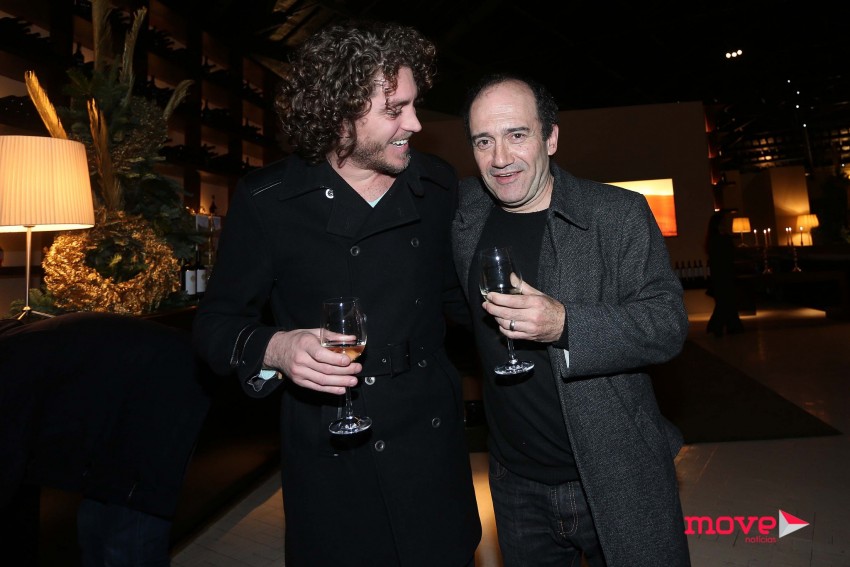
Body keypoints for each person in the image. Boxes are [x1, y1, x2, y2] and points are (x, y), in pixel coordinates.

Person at [192, 20, 481, 567]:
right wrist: (277, 348)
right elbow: (215, 325)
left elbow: (454, 299)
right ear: (340, 113)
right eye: (395, 110)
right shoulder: (269, 200)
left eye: (414, 104)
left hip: (429, 437)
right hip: (331, 442)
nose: (416, 124)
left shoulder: (438, 184)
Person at [451, 73, 691, 567]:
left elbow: (667, 323)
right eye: (483, 141)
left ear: (551, 137)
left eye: (517, 135)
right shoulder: (464, 213)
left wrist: (565, 324)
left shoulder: (617, 214)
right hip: (515, 482)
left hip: (615, 474)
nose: (500, 158)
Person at [0, 311, 210, 567]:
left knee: (128, 534)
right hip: (122, 400)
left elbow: (8, 459)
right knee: (93, 525)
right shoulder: (14, 346)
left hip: (163, 390)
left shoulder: (10, 365)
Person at [705, 209, 744, 337]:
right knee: (726, 302)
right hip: (725, 275)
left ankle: (724, 326)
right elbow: (730, 256)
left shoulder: (713, 240)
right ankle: (723, 326)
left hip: (720, 276)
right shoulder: (722, 239)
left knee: (724, 302)